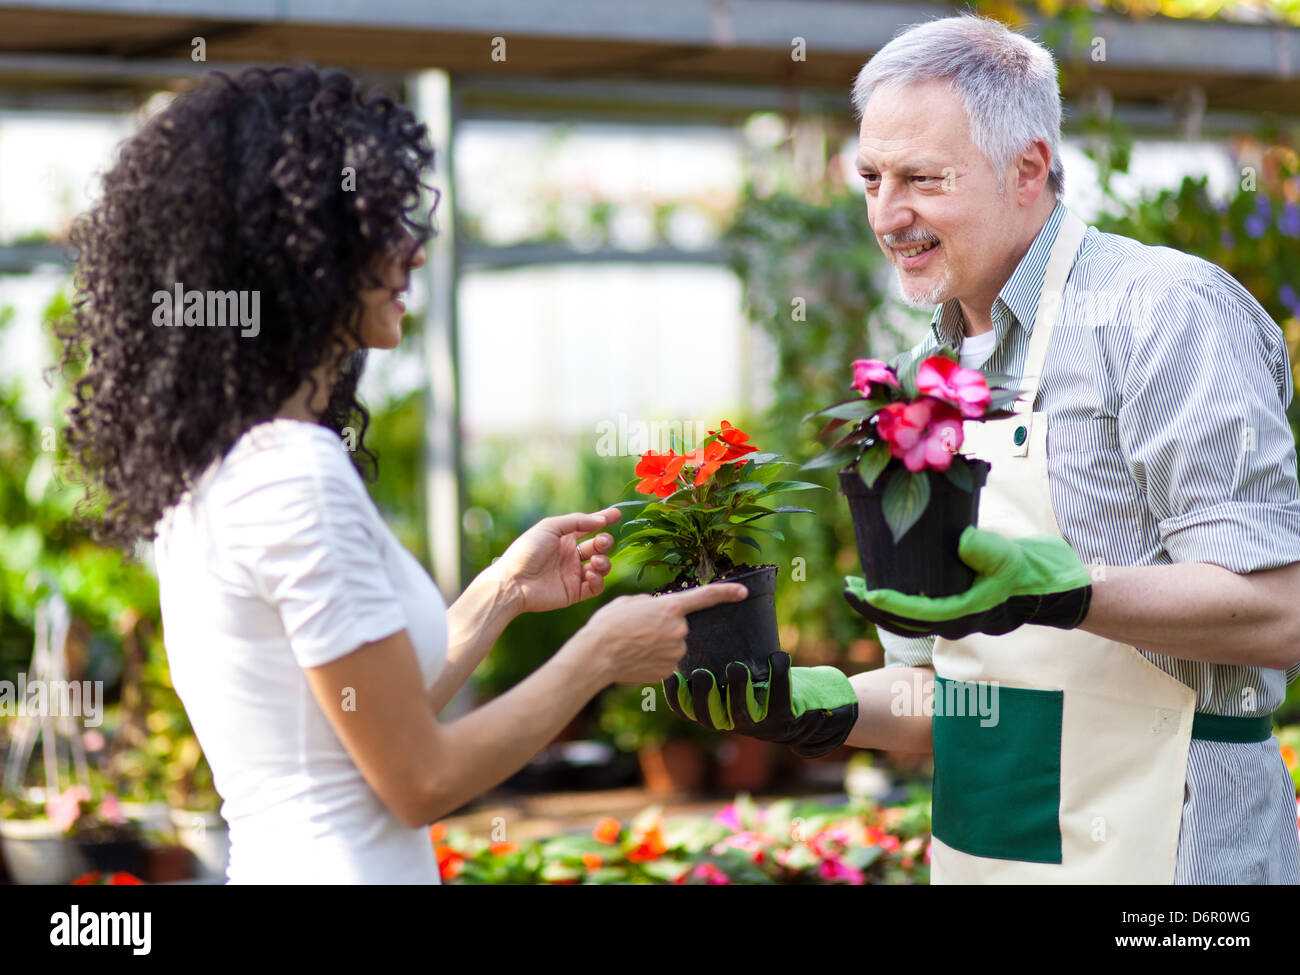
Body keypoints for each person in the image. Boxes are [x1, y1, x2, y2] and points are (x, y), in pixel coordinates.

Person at [56, 65, 747, 884]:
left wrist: (501, 593)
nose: (413, 248)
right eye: (379, 224)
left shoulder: (224, 461)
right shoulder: (290, 474)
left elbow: (360, 720)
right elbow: (418, 779)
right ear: (295, 251)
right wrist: (598, 653)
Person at [667, 13, 1300, 884]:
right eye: (871, 177)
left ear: (1028, 168)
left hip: (1180, 864)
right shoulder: (918, 379)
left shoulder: (1161, 312)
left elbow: (1281, 611)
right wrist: (802, 704)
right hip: (987, 855)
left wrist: (1062, 592)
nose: (889, 215)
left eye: (923, 178)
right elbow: (940, 698)